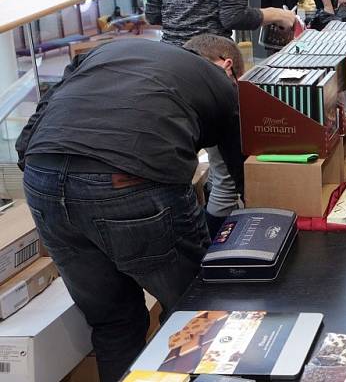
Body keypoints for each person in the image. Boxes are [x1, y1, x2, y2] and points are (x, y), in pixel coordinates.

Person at [16, 35, 245, 382]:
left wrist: (57, 178)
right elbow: (237, 169)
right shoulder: (222, 85)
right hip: (130, 181)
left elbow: (31, 130)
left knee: (114, 322)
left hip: (42, 177)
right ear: (227, 64)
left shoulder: (108, 51)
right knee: (197, 309)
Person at [146, 0, 294, 226]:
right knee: (228, 171)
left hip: (167, 67)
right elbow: (230, 14)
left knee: (181, 168)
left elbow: (153, 12)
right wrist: (275, 15)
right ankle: (219, 252)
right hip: (207, 68)